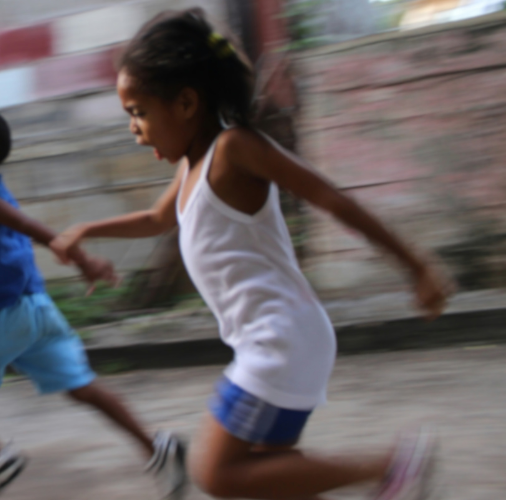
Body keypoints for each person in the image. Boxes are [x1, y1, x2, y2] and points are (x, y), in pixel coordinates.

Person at [50, 9, 453, 500]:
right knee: (268, 475)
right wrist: (85, 230)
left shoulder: (234, 149)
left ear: (185, 103)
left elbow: (331, 198)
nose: (134, 129)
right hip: (273, 340)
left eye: (138, 111)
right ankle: (388, 475)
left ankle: (392, 467)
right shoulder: (192, 168)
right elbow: (157, 219)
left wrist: (417, 267)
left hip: (278, 341)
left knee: (215, 472)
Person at [0, 107, 188, 500]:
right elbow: (6, 227)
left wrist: (81, 256)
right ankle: (156, 448)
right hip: (37, 308)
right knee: (81, 385)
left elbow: (29, 227)